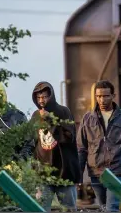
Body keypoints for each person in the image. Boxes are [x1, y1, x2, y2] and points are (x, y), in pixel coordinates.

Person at [77, 80, 121, 212]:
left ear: (113, 96)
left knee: (111, 208)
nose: (102, 100)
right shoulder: (87, 119)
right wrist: (78, 176)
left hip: (117, 171)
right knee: (103, 208)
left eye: (105, 96)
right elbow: (81, 149)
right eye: (98, 96)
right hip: (96, 173)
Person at [27, 81, 81, 211]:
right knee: (40, 209)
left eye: (44, 97)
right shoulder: (35, 116)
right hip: (43, 175)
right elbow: (30, 142)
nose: (42, 100)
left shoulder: (63, 112)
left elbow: (69, 137)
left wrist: (50, 120)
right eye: (39, 97)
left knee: (68, 209)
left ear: (51, 96)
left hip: (64, 173)